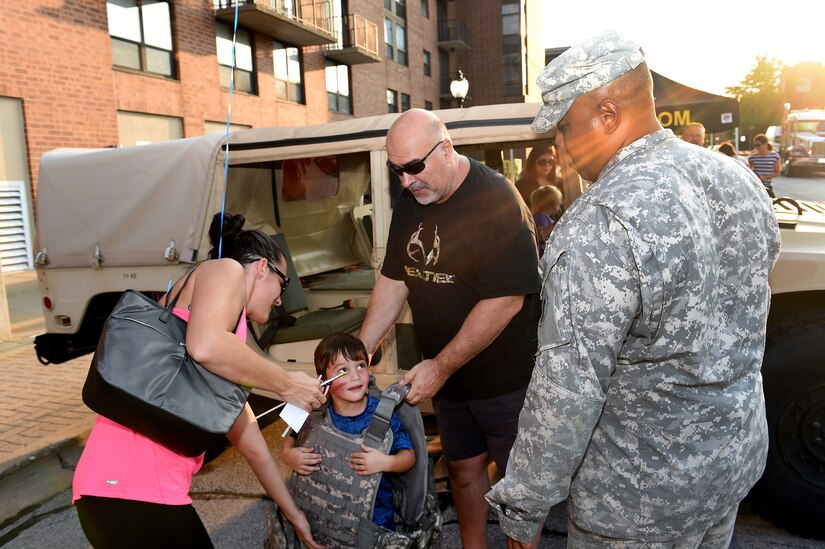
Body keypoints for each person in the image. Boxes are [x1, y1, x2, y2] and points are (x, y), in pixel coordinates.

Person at [486, 30, 781, 548]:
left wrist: (524, 504)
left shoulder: (601, 221)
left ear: (607, 115)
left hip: (637, 501)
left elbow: (568, 387)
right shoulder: (737, 180)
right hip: (728, 468)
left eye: (563, 126)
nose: (555, 142)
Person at [73, 212, 326, 549]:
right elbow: (205, 345)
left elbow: (253, 446)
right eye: (284, 283)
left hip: (103, 492)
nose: (280, 299)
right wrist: (286, 383)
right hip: (140, 492)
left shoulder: (210, 335)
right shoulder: (227, 270)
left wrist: (295, 516)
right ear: (262, 267)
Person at [359, 108, 541, 548]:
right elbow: (394, 278)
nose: (406, 181)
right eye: (396, 170)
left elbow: (504, 301)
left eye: (414, 168)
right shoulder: (412, 199)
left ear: (445, 149)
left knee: (519, 490)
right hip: (448, 379)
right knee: (461, 472)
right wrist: (359, 350)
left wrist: (440, 366)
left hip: (505, 380)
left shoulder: (496, 199)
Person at [282, 332, 414, 532]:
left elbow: (409, 456)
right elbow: (290, 437)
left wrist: (386, 462)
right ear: (324, 380)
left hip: (373, 522)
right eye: (343, 370)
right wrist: (288, 455)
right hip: (323, 517)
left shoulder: (383, 415)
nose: (355, 376)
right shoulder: (314, 410)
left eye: (361, 366)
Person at [529, 185, 562, 257]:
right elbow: (540, 235)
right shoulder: (541, 217)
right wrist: (560, 222)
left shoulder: (541, 217)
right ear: (554, 204)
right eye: (559, 204)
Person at [749, 133, 781, 198]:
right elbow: (749, 172)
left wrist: (764, 177)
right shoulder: (752, 157)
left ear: (765, 144)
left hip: (767, 187)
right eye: (755, 145)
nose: (756, 147)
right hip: (755, 186)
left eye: (758, 145)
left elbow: (777, 173)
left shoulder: (775, 156)